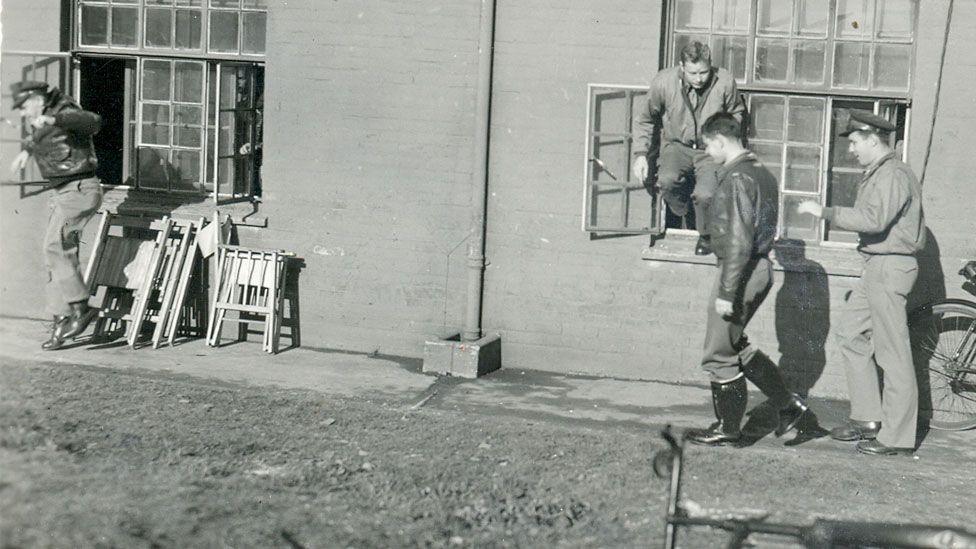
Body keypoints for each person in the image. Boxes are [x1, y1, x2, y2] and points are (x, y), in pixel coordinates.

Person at [797, 110, 925, 456]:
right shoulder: (879, 173)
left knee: (892, 352)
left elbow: (874, 219)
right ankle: (868, 419)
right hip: (877, 266)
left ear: (873, 139)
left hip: (890, 267)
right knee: (850, 333)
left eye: (855, 141)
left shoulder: (893, 174)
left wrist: (823, 212)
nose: (851, 149)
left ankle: (896, 438)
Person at [685, 113, 810, 446]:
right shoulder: (761, 173)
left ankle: (727, 428)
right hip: (756, 268)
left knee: (718, 352)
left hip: (740, 271)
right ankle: (789, 406)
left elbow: (739, 240)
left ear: (720, 140)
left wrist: (727, 291)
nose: (708, 153)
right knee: (736, 344)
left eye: (708, 145)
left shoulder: (738, 178)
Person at [8, 81, 104, 351]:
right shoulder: (42, 118)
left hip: (80, 188)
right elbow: (40, 136)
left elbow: (92, 122)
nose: (24, 113)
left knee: (55, 247)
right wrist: (25, 153)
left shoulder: (64, 109)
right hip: (63, 192)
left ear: (38, 98)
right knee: (56, 258)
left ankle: (81, 309)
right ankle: (61, 323)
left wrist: (56, 118)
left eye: (25, 106)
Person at [632, 41, 745, 255]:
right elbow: (645, 119)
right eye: (693, 73)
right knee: (667, 181)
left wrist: (726, 140)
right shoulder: (664, 82)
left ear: (710, 65)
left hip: (709, 150)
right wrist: (640, 154)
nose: (699, 78)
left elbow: (737, 112)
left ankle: (705, 234)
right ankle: (687, 214)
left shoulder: (725, 81)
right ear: (682, 67)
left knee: (705, 195)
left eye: (704, 72)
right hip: (677, 145)